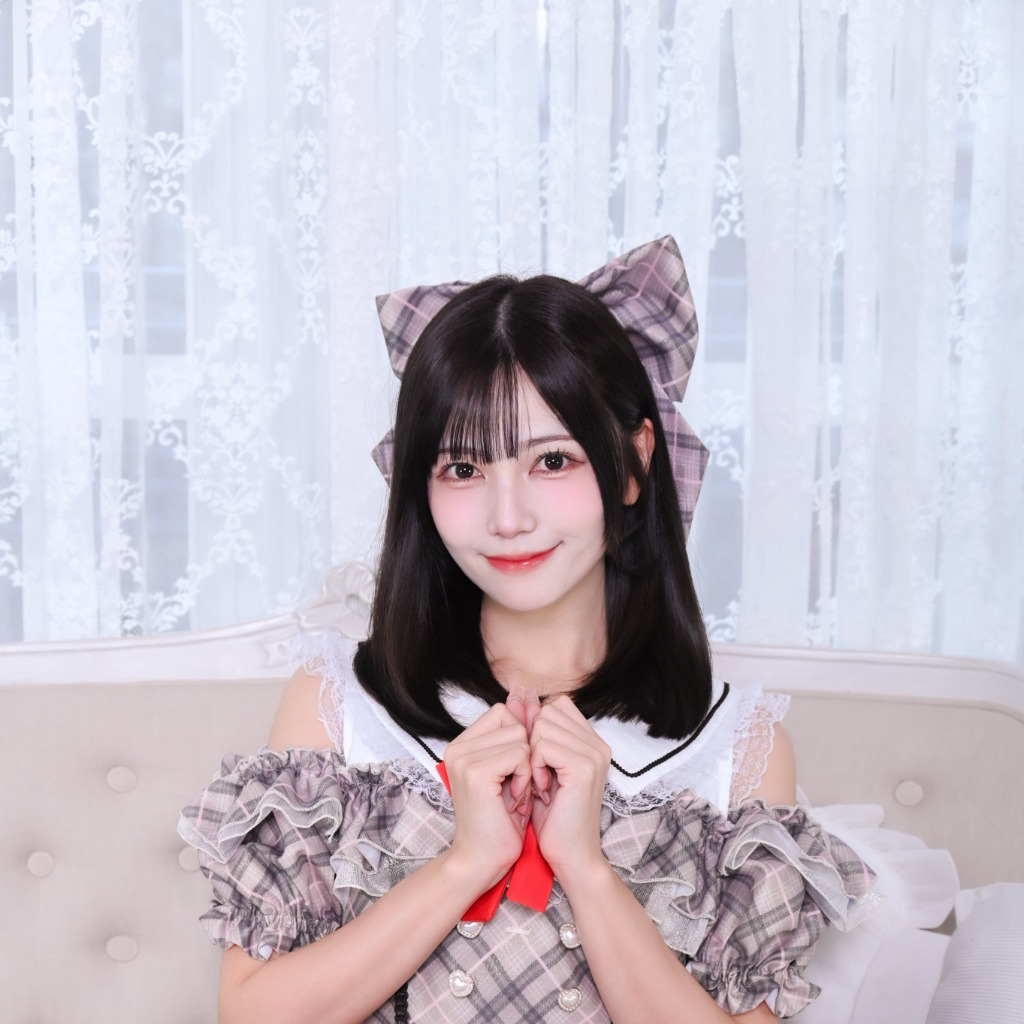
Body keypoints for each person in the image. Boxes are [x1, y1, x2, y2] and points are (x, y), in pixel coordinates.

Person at [179, 236, 876, 1024]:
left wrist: (587, 867)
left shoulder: (732, 750)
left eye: (551, 462)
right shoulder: (343, 705)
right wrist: (466, 862)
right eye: (463, 469)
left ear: (633, 463)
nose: (507, 518)